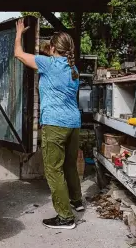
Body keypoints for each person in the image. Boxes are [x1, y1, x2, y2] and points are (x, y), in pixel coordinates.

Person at [14, 18, 84, 230]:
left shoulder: (49, 64)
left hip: (55, 124)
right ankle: (76, 201)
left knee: (53, 170)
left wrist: (19, 34)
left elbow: (18, 54)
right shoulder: (74, 70)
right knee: (69, 164)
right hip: (74, 124)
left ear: (53, 48)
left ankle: (65, 217)